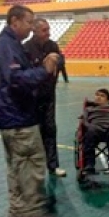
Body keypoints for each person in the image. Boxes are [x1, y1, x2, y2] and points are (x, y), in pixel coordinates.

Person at [0, 5, 60, 217]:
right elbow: (16, 79)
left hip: (12, 117)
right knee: (31, 165)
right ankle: (31, 212)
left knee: (17, 167)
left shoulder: (10, 45)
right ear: (15, 21)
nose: (31, 27)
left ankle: (17, 210)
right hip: (18, 118)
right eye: (29, 22)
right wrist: (44, 69)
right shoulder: (8, 45)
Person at [24, 18, 66, 177]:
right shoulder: (26, 48)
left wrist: (56, 58)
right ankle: (33, 167)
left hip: (48, 96)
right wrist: (42, 65)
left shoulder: (52, 45)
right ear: (34, 30)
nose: (48, 33)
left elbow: (62, 62)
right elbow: (25, 74)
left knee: (50, 129)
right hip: (31, 98)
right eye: (44, 30)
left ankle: (53, 165)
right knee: (32, 133)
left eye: (48, 29)